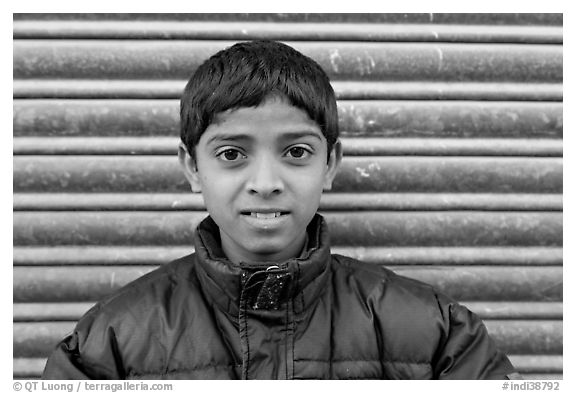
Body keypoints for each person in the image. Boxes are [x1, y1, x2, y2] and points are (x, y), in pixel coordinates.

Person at [42, 40, 518, 380]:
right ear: (192, 167)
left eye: (295, 152)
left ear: (330, 163)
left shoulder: (437, 333)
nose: (266, 184)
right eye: (232, 154)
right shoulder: (112, 341)